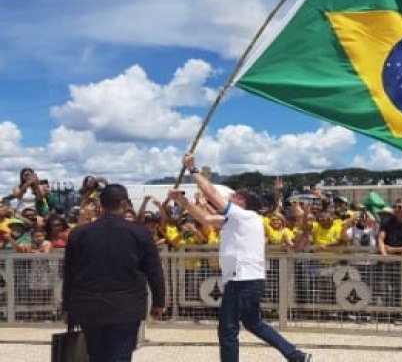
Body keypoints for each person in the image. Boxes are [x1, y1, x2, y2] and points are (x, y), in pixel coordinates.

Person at [172, 152, 311, 362]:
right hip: (244, 279)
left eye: (234, 196)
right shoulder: (237, 220)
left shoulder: (244, 216)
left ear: (242, 203)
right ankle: (295, 355)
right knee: (254, 324)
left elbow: (211, 194)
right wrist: (182, 202)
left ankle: (294, 356)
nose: (229, 197)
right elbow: (206, 218)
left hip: (241, 279)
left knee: (227, 329)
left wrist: (193, 169)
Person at [62, 184, 165, 362]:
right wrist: (159, 301)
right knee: (120, 356)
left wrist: (67, 306)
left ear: (101, 205)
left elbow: (69, 273)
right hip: (126, 306)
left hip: (89, 305)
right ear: (124, 204)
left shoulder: (79, 234)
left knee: (96, 356)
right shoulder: (139, 232)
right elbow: (154, 270)